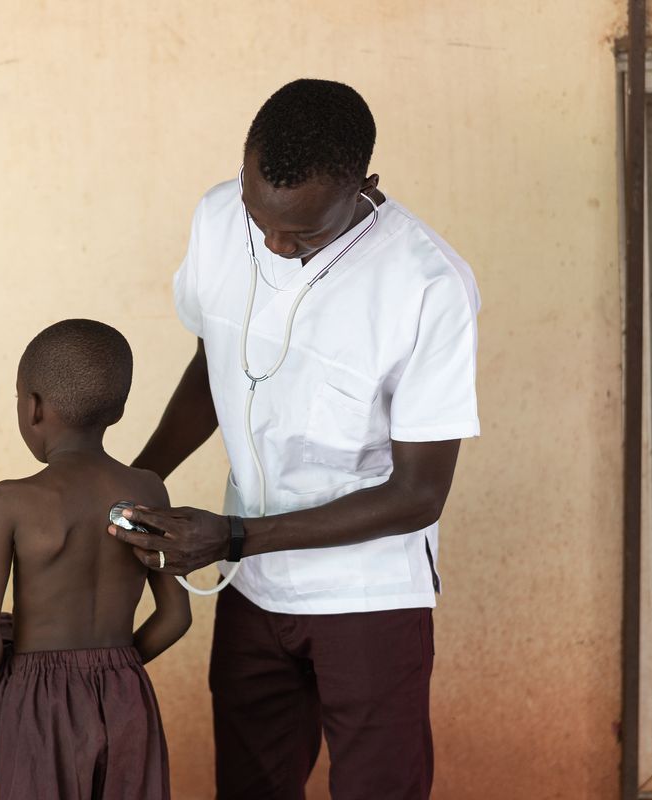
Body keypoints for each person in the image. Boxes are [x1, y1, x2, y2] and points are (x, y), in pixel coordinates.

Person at [111, 79, 481, 799]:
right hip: (253, 591)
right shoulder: (219, 218)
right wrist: (136, 477)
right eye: (261, 219)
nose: (276, 246)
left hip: (368, 598)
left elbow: (417, 496)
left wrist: (236, 537)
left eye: (304, 232)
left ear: (364, 188)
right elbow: (211, 361)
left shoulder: (428, 286)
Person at [0, 318, 191, 800]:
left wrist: (20, 680)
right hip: (127, 692)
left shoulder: (12, 501)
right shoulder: (147, 490)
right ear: (120, 409)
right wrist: (118, 664)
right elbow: (174, 617)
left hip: (38, 697)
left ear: (33, 406)